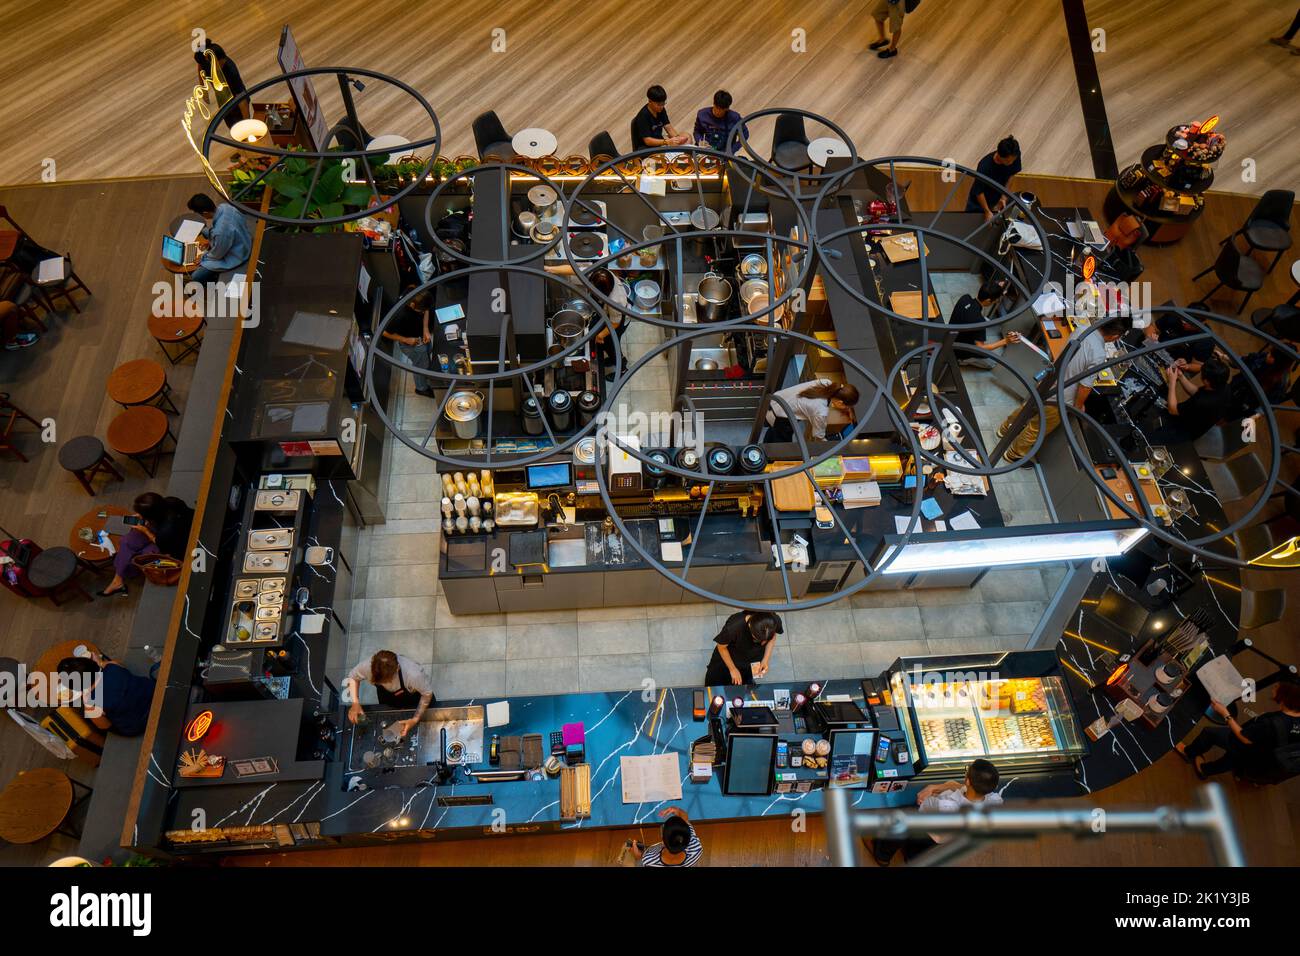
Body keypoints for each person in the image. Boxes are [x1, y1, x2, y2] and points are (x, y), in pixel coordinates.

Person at [997, 317, 1131, 462]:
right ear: (1115, 336)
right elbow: (1085, 385)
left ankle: (1005, 429)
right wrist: (1078, 406)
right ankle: (1014, 454)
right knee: (1037, 427)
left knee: (1026, 409)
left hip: (1047, 381)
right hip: (1061, 397)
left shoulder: (1081, 330)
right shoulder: (1098, 354)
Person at [868, 758, 1003, 865]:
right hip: (947, 839)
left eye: (967, 770)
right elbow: (963, 787)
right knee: (918, 851)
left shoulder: (949, 806)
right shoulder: (994, 800)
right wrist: (935, 787)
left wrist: (925, 799)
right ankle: (911, 858)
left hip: (930, 829)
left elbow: (925, 813)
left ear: (968, 781)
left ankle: (882, 855)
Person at [1176, 682, 1300, 782]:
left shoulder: (1271, 725)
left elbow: (1244, 737)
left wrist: (1225, 713)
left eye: (1279, 687)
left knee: (1209, 733)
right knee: (1232, 759)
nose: (1275, 686)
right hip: (1263, 755)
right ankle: (1205, 770)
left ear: (1285, 697)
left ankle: (1188, 753)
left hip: (1247, 745)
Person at [99, 493, 195, 598]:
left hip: (178, 545)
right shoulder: (171, 501)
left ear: (151, 516)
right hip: (172, 529)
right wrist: (145, 520)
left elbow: (161, 543)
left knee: (143, 553)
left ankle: (120, 578)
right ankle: (118, 579)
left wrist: (145, 530)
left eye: (141, 514)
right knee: (127, 541)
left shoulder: (166, 532)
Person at [55, 652, 156, 736]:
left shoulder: (90, 705)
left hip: (141, 723)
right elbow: (115, 667)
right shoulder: (112, 666)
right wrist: (100, 662)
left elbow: (105, 726)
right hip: (153, 693)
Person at [345, 650, 435, 738]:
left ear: (397, 668)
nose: (386, 684)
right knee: (392, 725)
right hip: (388, 698)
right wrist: (355, 703)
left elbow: (427, 693)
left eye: (388, 681)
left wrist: (415, 719)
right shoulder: (369, 666)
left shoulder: (413, 674)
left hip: (414, 698)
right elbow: (353, 677)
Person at [945, 277, 1020, 369]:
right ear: (988, 301)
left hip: (952, 337)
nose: (997, 301)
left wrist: (998, 288)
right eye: (997, 299)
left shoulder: (965, 298)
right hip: (960, 351)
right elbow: (980, 348)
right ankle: (962, 361)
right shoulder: (979, 322)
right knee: (992, 364)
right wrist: (1005, 341)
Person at [1159, 357, 1232, 442]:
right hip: (1195, 419)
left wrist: (1172, 382)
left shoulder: (1202, 403)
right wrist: (1181, 376)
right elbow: (1198, 392)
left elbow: (1173, 409)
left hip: (1183, 431)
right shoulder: (1224, 386)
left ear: (1207, 381)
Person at [765, 379, 860, 443]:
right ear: (840, 402)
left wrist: (849, 411)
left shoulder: (826, 382)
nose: (846, 409)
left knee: (775, 434)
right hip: (779, 417)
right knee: (781, 447)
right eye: (846, 406)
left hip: (775, 401)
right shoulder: (820, 411)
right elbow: (818, 436)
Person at [705, 610, 783, 687]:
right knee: (714, 683)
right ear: (750, 625)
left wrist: (765, 659)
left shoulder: (773, 620)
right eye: (757, 639)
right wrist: (733, 669)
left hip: (752, 659)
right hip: (729, 657)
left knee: (744, 685)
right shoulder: (734, 627)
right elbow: (721, 647)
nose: (763, 643)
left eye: (765, 640)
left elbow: (772, 637)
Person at [187, 193, 252, 284]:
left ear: (205, 213)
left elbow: (217, 255)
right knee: (205, 231)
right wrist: (212, 241)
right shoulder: (225, 206)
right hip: (242, 238)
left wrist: (203, 257)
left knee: (196, 276)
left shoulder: (220, 232)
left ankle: (215, 280)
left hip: (238, 255)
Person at [384, 286, 434, 397]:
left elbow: (426, 310)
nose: (423, 312)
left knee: (427, 355)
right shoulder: (398, 315)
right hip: (411, 345)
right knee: (420, 366)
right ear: (412, 306)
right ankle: (421, 388)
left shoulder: (414, 292)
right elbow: (385, 332)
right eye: (420, 311)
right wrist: (406, 339)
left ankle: (427, 371)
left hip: (420, 336)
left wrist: (425, 328)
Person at [1229, 342, 1297, 417]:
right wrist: (1224, 356)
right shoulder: (1265, 357)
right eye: (1270, 352)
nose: (1268, 355)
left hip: (1246, 403)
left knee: (1229, 416)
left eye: (1272, 355)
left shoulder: (1281, 383)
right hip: (1237, 386)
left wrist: (1254, 417)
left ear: (1279, 362)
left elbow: (1270, 404)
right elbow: (1245, 361)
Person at [194, 40, 250, 130]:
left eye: (222, 61)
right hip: (223, 100)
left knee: (241, 127)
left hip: (236, 103)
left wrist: (248, 123)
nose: (222, 63)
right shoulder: (206, 60)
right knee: (232, 127)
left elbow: (242, 99)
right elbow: (200, 66)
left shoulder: (231, 72)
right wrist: (204, 88)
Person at [965, 136, 1023, 220]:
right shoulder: (984, 166)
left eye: (1013, 160)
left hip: (996, 195)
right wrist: (987, 211)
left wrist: (1003, 196)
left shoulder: (1014, 156)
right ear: (1000, 156)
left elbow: (1011, 174)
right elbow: (978, 192)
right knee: (970, 220)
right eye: (1008, 161)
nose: (1011, 163)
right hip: (978, 201)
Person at [1143, 310, 1215, 376]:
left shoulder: (1207, 340)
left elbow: (1198, 366)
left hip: (1170, 366)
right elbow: (1153, 327)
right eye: (1185, 317)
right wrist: (1150, 337)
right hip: (1153, 348)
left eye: (1189, 321)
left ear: (1201, 323)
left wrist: (1187, 366)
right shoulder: (1175, 315)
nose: (1183, 321)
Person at [629, 806, 704, 866]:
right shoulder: (696, 848)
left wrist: (638, 856)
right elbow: (685, 819)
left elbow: (641, 861)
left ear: (663, 843)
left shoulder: (648, 860)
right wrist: (677, 810)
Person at [589, 267, 628, 380]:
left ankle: (622, 369)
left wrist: (601, 335)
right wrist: (549, 269)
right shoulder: (600, 275)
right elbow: (577, 270)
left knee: (611, 347)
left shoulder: (615, 301)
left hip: (618, 323)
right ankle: (612, 359)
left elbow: (615, 323)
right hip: (608, 316)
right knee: (607, 345)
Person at [631, 85, 690, 150]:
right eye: (659, 104)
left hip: (660, 142)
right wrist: (667, 142)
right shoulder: (643, 116)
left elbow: (669, 128)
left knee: (687, 136)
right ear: (650, 101)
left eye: (663, 103)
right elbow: (647, 141)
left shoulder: (661, 110)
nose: (661, 107)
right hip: (646, 148)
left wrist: (677, 139)